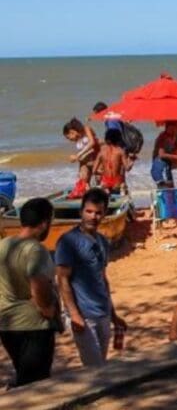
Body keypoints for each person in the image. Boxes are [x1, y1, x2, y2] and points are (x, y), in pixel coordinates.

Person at [55, 188, 127, 367]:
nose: (93, 217)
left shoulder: (102, 242)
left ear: (104, 215)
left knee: (101, 364)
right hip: (84, 315)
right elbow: (62, 279)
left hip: (102, 312)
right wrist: (74, 314)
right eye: (89, 211)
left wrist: (113, 314)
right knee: (94, 368)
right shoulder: (68, 241)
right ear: (81, 212)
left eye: (98, 213)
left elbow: (103, 279)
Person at [0, 198, 59, 387]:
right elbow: (39, 285)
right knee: (36, 383)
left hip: (7, 324)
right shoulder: (35, 250)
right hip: (33, 326)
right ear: (44, 224)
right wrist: (48, 310)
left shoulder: (4, 245)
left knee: (24, 374)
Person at [63, 118, 99, 196]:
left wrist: (78, 155)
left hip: (96, 161)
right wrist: (79, 164)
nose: (70, 140)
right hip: (85, 163)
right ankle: (89, 197)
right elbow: (83, 155)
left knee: (99, 181)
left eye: (68, 137)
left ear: (72, 132)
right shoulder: (78, 140)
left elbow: (92, 142)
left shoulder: (86, 129)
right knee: (83, 182)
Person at [151, 120, 177, 188]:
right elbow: (161, 154)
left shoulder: (172, 137)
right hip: (159, 167)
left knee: (170, 189)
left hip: (165, 166)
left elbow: (175, 149)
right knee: (166, 190)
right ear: (170, 127)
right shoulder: (163, 136)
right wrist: (176, 157)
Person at [91, 128, 127, 193]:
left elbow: (94, 171)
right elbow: (127, 168)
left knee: (104, 189)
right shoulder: (120, 151)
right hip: (117, 182)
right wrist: (132, 160)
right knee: (122, 186)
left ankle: (106, 191)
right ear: (118, 139)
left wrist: (103, 172)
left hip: (105, 182)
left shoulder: (101, 152)